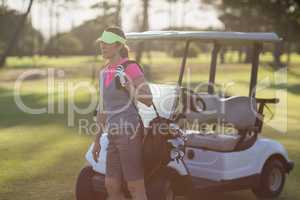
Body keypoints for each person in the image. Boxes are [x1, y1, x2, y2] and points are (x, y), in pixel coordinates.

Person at [92, 27, 153, 200]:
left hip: (129, 133)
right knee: (111, 185)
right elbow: (103, 108)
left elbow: (148, 99)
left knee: (134, 186)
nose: (103, 46)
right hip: (112, 134)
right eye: (102, 43)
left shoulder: (130, 67)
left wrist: (130, 87)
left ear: (119, 45)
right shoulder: (104, 72)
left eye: (107, 43)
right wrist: (96, 140)